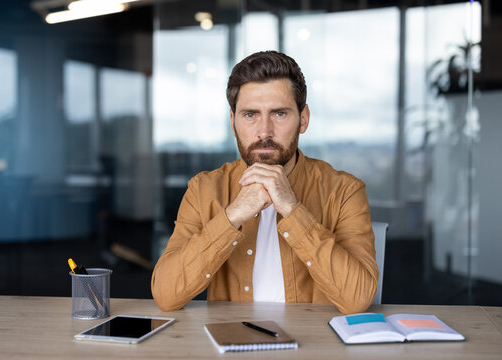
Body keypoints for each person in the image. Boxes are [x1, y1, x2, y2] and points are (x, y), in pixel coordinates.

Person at [151, 51, 378, 314]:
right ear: (233, 122)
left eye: (279, 114)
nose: (264, 132)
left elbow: (357, 299)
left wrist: (292, 209)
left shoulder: (345, 191)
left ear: (303, 119)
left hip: (315, 348)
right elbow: (166, 295)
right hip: (232, 349)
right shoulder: (203, 190)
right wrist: (233, 215)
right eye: (250, 115)